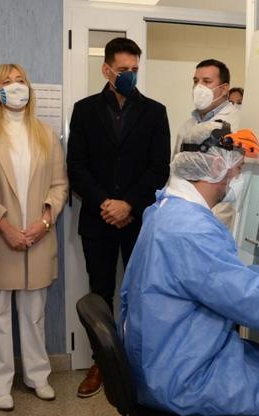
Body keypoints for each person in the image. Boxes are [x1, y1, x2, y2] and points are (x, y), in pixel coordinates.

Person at [119, 130, 259, 416]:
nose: (238, 179)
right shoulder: (193, 230)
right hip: (182, 379)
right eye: (239, 169)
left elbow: (220, 278)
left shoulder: (165, 210)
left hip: (158, 359)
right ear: (217, 167)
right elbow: (255, 306)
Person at [67, 37, 170, 398]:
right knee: (100, 292)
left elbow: (159, 168)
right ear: (106, 69)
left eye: (135, 70)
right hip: (97, 220)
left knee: (140, 293)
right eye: (123, 70)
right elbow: (76, 166)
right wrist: (105, 204)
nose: (129, 75)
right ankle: (101, 362)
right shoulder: (83, 109)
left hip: (138, 219)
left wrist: (128, 204)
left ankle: (139, 362)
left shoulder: (155, 111)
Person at [0, 64, 68, 411]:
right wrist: (4, 225)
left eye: (20, 80)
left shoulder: (45, 133)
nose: (16, 87)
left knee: (34, 314)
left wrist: (45, 220)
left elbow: (59, 185)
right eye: (7, 82)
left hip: (38, 238)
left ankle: (37, 376)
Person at [173, 59, 241, 230]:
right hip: (181, 216)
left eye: (207, 81)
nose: (198, 87)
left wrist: (210, 224)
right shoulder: (187, 126)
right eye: (196, 81)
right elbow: (175, 172)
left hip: (212, 222)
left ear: (224, 88)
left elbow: (234, 183)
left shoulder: (237, 125)